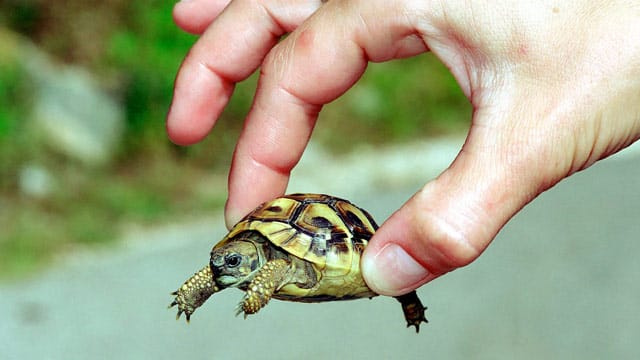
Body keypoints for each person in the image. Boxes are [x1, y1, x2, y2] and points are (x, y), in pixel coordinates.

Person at [166, 0, 640, 296]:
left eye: (233, 260)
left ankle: (407, 297)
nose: (224, 263)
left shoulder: (270, 269)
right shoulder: (239, 255)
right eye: (230, 259)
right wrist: (196, 290)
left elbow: (267, 273)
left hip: (334, 243)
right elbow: (221, 267)